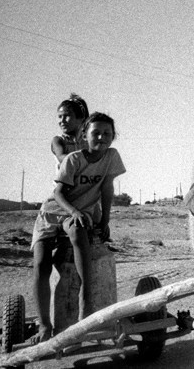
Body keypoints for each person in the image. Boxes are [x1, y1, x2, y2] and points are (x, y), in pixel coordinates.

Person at [30, 112, 126, 343]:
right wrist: (74, 211)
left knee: (78, 230)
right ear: (85, 135)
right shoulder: (73, 159)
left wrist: (105, 221)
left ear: (113, 137)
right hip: (53, 212)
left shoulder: (112, 157)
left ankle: (86, 302)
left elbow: (106, 189)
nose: (101, 137)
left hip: (77, 214)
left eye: (107, 134)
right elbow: (58, 193)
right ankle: (44, 324)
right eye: (96, 133)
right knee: (42, 264)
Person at [51, 94, 90, 168]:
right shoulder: (58, 140)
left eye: (67, 116)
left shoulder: (88, 141)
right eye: (60, 116)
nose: (62, 120)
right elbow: (62, 158)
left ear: (80, 118)